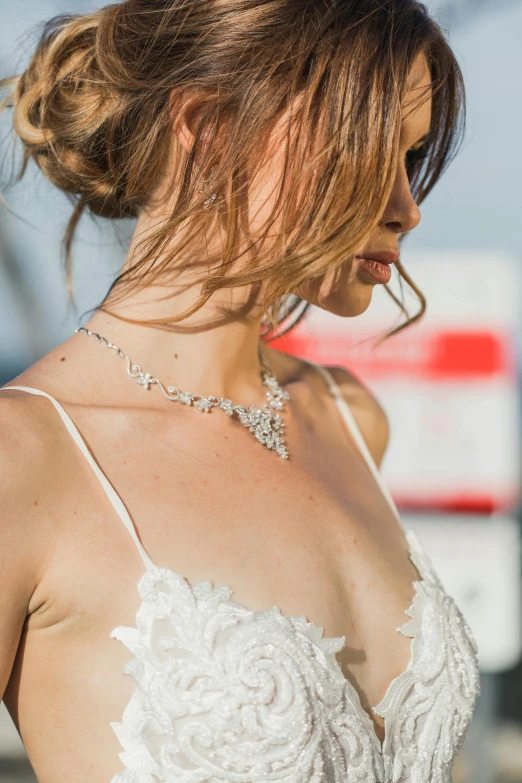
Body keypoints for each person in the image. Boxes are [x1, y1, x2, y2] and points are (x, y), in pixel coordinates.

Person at [0, 1, 480, 781]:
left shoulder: (349, 420)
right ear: (209, 128)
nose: (406, 205)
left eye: (410, 155)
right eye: (366, 151)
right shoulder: (25, 461)